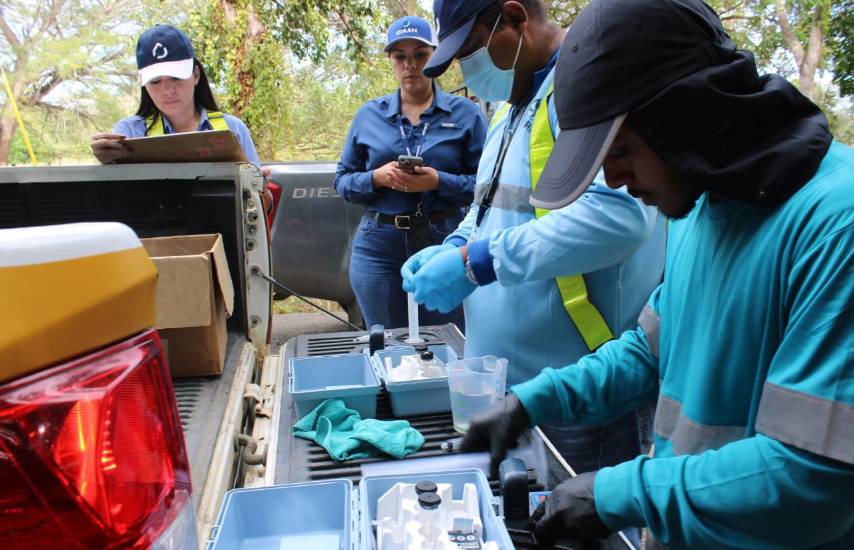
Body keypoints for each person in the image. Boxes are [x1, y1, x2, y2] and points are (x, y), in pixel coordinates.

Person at [460, 0, 854, 547]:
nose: (614, 180)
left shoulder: (837, 226)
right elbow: (651, 350)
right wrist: (534, 401)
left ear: (685, 115)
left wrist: (622, 493)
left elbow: (813, 478)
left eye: (620, 151)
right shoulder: (700, 210)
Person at [402, 0, 665, 477]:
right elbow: (488, 212)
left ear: (517, 18)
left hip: (575, 397)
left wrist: (474, 263)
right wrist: (450, 247)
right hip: (504, 391)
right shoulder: (511, 111)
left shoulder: (584, 91)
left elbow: (621, 217)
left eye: (474, 48)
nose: (469, 68)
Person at [334, 16, 486, 330]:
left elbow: (487, 187)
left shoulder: (466, 114)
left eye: (420, 55)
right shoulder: (369, 115)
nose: (410, 65)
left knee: (447, 341)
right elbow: (342, 181)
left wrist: (439, 182)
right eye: (400, 56)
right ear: (391, 60)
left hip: (444, 239)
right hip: (379, 245)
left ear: (435, 55)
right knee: (385, 343)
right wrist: (376, 177)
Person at [90, 24, 264, 173]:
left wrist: (263, 190)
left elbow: (259, 203)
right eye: (155, 81)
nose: (167, 90)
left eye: (176, 78)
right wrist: (107, 163)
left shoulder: (233, 128)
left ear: (196, 75)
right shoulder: (129, 133)